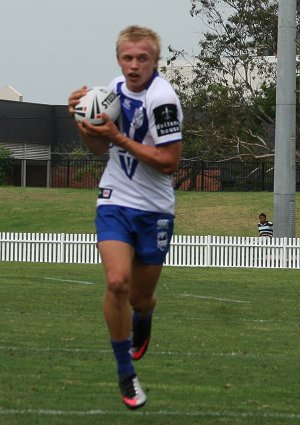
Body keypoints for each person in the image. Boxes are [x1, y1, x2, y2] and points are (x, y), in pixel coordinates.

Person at [68, 25, 183, 410]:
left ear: (155, 61)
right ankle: (125, 373)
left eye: (142, 59)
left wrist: (119, 139)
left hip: (155, 208)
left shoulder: (163, 99)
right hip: (115, 197)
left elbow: (169, 163)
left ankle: (145, 316)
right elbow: (99, 148)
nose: (133, 66)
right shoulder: (112, 89)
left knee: (141, 296)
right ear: (119, 59)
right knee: (116, 282)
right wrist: (84, 120)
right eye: (127, 58)